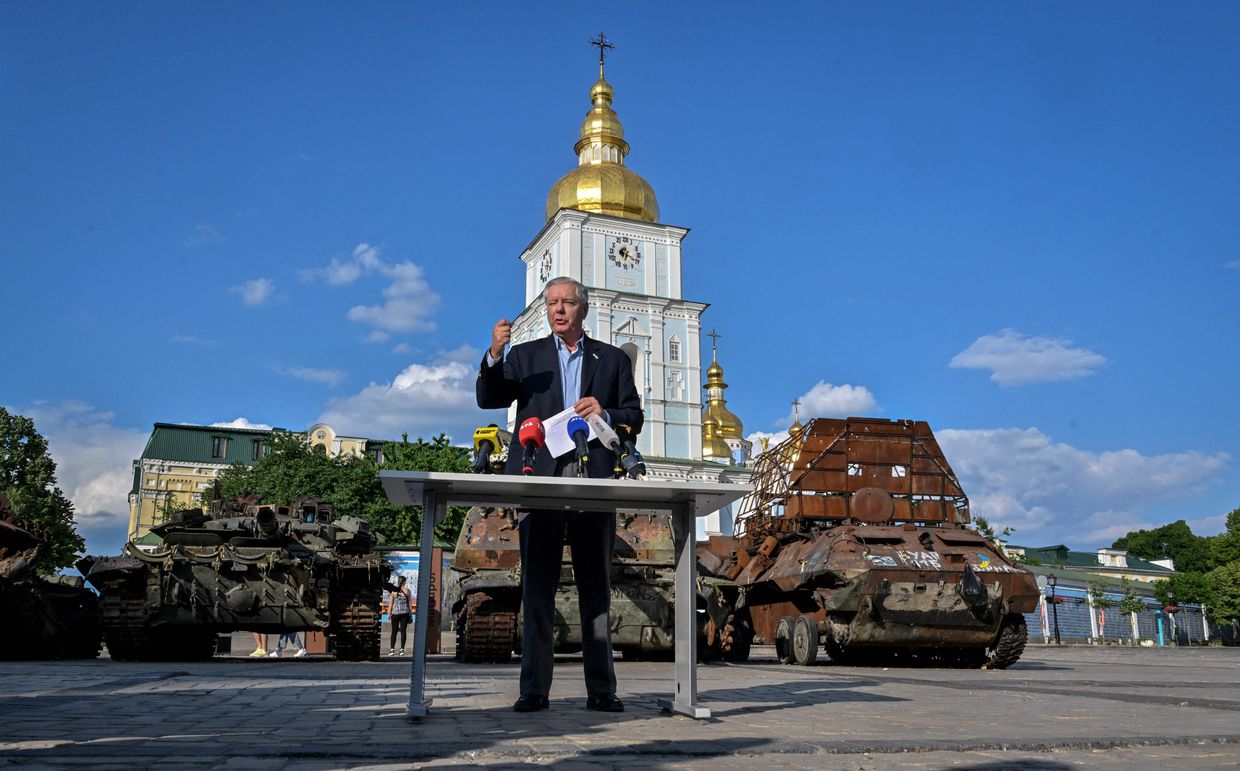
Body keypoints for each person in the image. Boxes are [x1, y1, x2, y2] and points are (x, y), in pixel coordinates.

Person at [476, 276, 642, 713]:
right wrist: (495, 353)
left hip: (593, 476)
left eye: (567, 302)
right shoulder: (526, 356)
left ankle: (602, 689)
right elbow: (489, 398)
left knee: (595, 589)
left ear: (583, 309)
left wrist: (605, 411)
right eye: (552, 303)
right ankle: (534, 689)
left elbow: (634, 415)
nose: (559, 310)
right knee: (538, 588)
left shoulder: (611, 360)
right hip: (539, 477)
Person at [386, 575, 412, 656]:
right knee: (403, 631)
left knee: (394, 631)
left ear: (398, 581)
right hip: (404, 613)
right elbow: (410, 604)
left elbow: (390, 604)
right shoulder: (407, 591)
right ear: (404, 582)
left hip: (395, 613)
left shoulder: (393, 591)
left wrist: (389, 614)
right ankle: (401, 650)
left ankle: (392, 649)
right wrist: (410, 615)